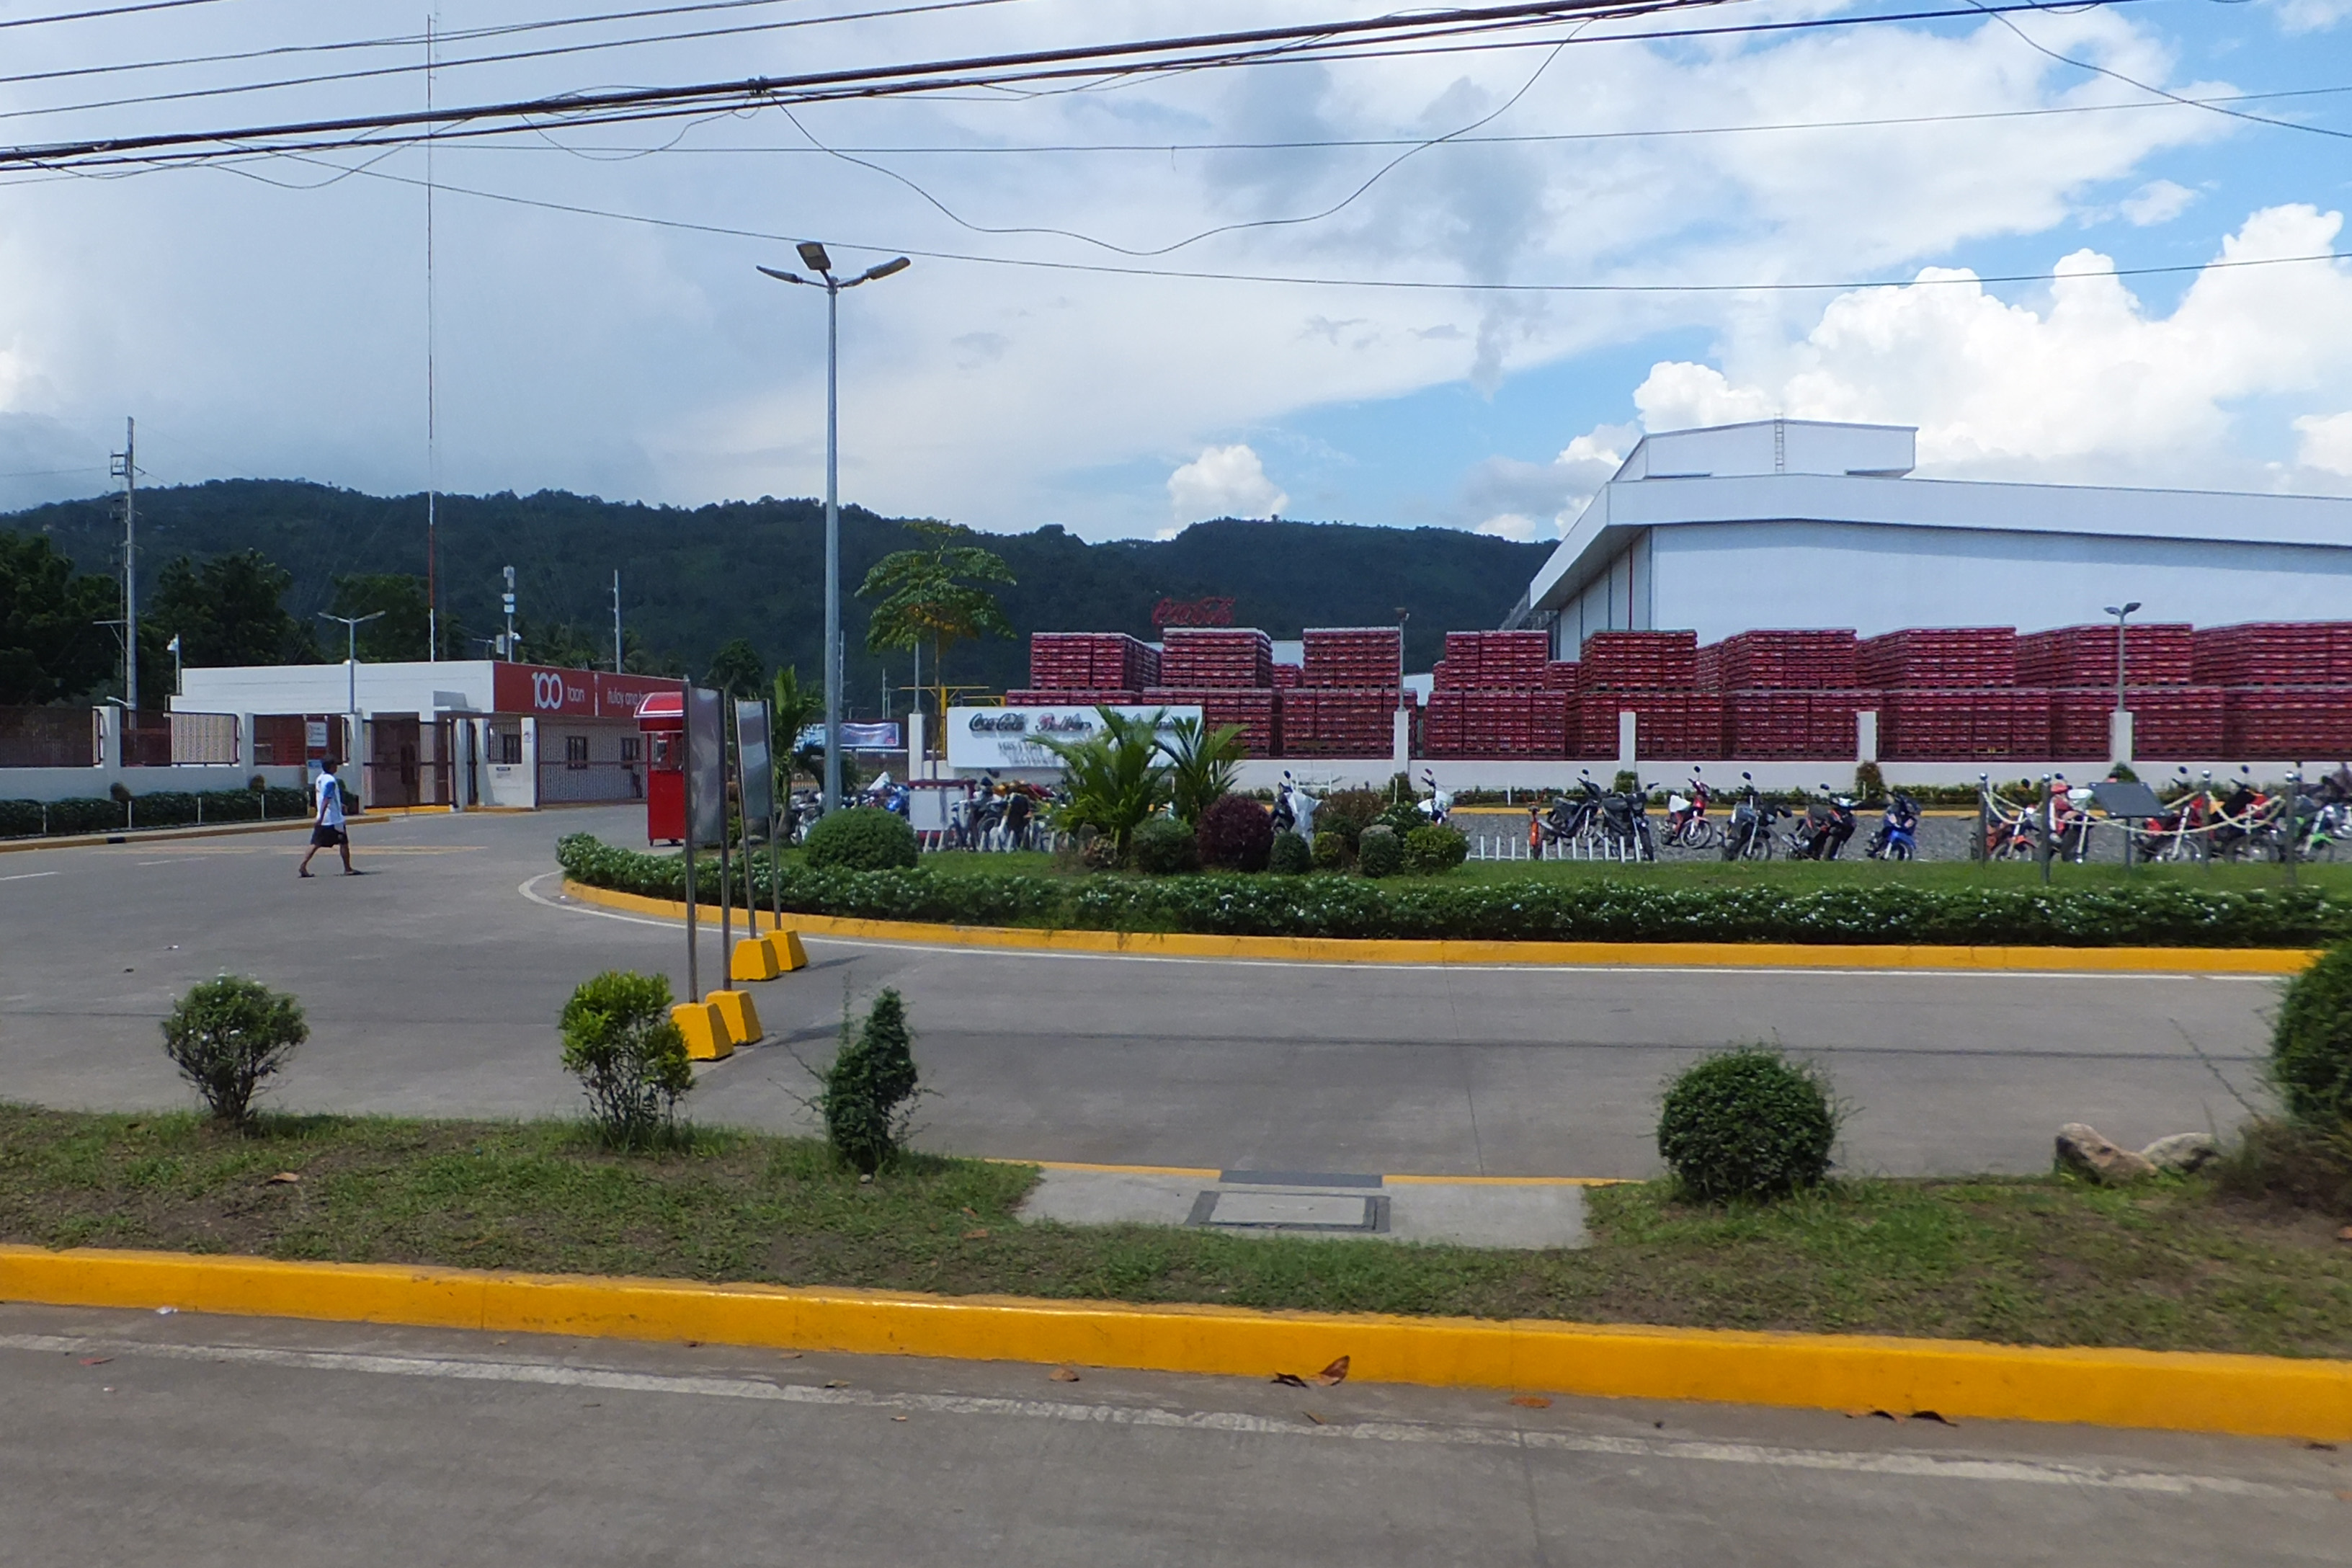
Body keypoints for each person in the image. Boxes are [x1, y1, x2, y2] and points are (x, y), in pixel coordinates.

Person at [298, 759, 360, 877]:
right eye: (335, 765)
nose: (337, 767)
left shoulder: (320, 779)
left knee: (315, 843)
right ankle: (348, 868)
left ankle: (303, 865)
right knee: (344, 843)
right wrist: (321, 817)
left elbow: (324, 797)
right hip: (334, 819)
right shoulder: (331, 781)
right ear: (331, 766)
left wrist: (337, 806)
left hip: (325, 818)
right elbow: (327, 798)